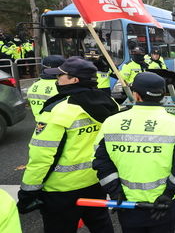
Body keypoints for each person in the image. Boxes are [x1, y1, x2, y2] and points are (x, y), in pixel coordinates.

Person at [18, 56, 119, 233]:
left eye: (60, 76)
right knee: (101, 226)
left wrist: (28, 191)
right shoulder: (110, 104)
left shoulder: (57, 111)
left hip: (61, 189)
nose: (57, 79)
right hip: (96, 181)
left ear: (74, 80)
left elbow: (41, 157)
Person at [93, 72, 175, 233]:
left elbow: (100, 162)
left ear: (135, 95)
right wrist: (169, 193)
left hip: (128, 203)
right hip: (164, 204)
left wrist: (115, 191)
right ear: (163, 95)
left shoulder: (111, 123)